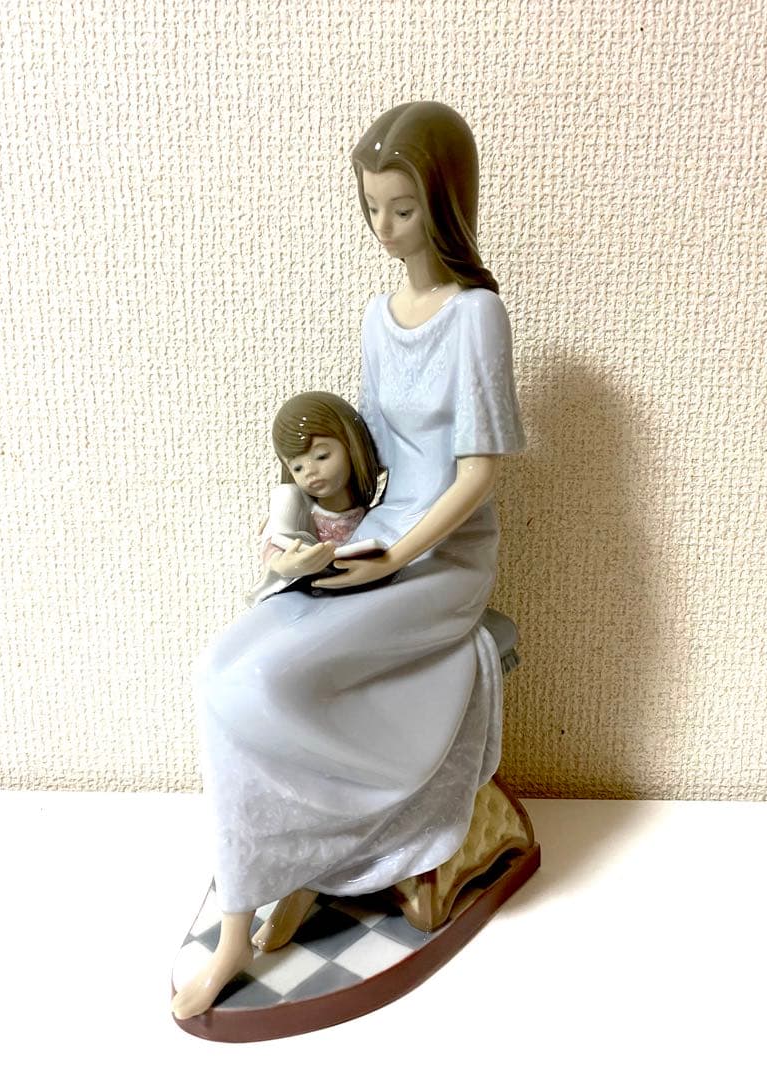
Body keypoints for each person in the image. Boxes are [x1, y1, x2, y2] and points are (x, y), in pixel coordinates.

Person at [171, 101, 526, 1020]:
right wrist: (311, 526)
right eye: (372, 207)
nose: (385, 227)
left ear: (445, 204)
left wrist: (395, 555)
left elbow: (479, 473)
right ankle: (283, 868)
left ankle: (273, 901)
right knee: (220, 668)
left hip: (442, 560)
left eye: (403, 208)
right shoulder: (377, 317)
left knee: (269, 681)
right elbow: (369, 455)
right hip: (373, 536)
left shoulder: (477, 317)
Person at [245, 391, 387, 607]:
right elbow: (275, 543)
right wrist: (285, 565)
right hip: (306, 601)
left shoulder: (375, 515)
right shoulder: (294, 505)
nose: (310, 471)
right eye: (297, 467)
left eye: (322, 456)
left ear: (351, 446)